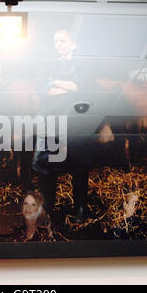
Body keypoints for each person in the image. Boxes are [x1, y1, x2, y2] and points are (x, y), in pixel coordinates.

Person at [33, 30, 91, 224]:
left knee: (79, 164)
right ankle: (48, 209)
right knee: (44, 163)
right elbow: (40, 88)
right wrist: (66, 85)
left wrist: (54, 84)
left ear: (73, 44)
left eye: (63, 40)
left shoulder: (83, 63)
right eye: (55, 41)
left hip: (75, 121)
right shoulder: (48, 64)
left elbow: (81, 87)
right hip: (49, 119)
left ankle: (80, 208)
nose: (58, 44)